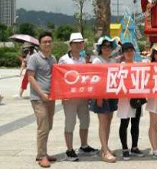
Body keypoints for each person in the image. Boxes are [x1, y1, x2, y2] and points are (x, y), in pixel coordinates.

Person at [58, 33, 98, 161]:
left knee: (85, 121)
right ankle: (69, 150)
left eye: (80, 42)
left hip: (82, 96)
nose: (78, 45)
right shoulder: (64, 59)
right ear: (70, 45)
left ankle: (84, 145)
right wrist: (62, 94)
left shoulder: (83, 59)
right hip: (69, 97)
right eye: (75, 43)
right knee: (70, 123)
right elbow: (59, 78)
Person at [27, 32, 57, 168]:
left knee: (48, 126)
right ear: (40, 43)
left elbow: (56, 77)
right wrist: (42, 94)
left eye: (50, 41)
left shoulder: (53, 59)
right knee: (43, 126)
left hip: (51, 97)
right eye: (45, 41)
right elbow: (30, 77)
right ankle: (41, 156)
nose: (47, 44)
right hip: (38, 98)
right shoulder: (34, 58)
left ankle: (43, 151)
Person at [90, 36, 119, 163]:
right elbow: (95, 79)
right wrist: (98, 96)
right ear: (100, 48)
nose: (107, 49)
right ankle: (105, 152)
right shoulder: (97, 60)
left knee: (108, 121)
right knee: (103, 123)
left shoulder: (113, 60)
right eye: (104, 47)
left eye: (109, 46)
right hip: (101, 95)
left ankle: (104, 147)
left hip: (111, 94)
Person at [117, 42, 145, 160]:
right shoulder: (120, 66)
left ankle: (134, 147)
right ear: (123, 53)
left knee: (135, 123)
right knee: (124, 123)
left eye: (131, 50)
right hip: (124, 99)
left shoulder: (139, 65)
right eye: (126, 51)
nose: (129, 53)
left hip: (136, 98)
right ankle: (124, 148)